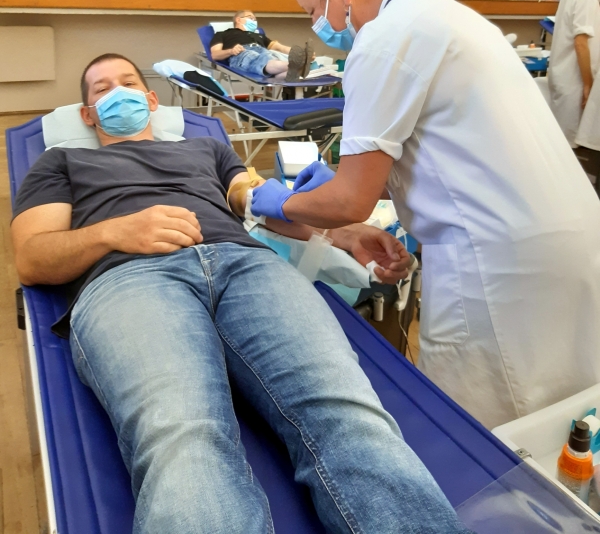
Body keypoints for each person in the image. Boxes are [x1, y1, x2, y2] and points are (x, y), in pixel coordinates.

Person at [11, 53, 471, 534]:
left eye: (128, 82)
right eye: (102, 89)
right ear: (87, 114)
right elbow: (33, 257)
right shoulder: (63, 161)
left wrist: (346, 232)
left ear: (150, 99)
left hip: (244, 265)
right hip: (129, 277)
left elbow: (263, 204)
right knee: (184, 435)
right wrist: (113, 233)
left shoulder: (204, 150)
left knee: (346, 411)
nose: (118, 92)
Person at [252, 0, 600, 430]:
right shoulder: (444, 14)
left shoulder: (383, 40)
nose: (317, 26)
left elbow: (351, 199)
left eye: (311, 10)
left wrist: (274, 199)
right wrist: (399, 233)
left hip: (497, 267)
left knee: (492, 444)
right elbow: (460, 151)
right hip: (568, 238)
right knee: (566, 429)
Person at [548, 0, 600, 147]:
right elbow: (581, 43)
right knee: (570, 146)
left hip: (565, 78)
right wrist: (588, 84)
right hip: (575, 81)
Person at [210, 9, 313, 81]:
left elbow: (279, 47)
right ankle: (299, 65)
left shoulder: (259, 36)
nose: (254, 21)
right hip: (242, 53)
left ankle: (297, 66)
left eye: (255, 19)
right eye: (250, 18)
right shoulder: (224, 34)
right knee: (264, 58)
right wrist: (231, 51)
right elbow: (214, 54)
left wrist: (302, 53)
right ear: (238, 19)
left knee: (271, 57)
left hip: (263, 52)